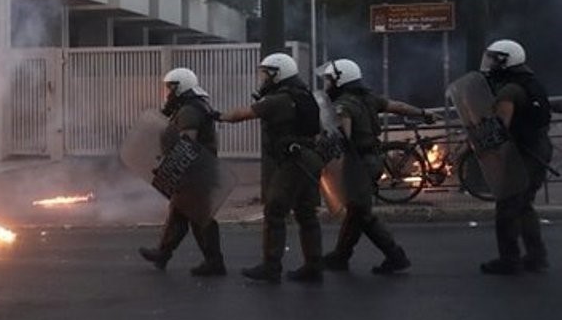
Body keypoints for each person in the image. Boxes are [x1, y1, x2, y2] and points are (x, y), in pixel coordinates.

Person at [317, 59, 432, 274]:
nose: (326, 84)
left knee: (362, 214)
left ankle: (395, 255)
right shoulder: (369, 98)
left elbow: (344, 137)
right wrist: (423, 114)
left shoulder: (344, 104)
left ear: (340, 81)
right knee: (355, 210)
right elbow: (398, 106)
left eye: (329, 80)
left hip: (357, 163)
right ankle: (340, 255)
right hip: (372, 160)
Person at [218, 53, 324, 283]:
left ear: (277, 74)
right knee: (306, 213)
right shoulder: (304, 94)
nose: (263, 78)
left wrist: (219, 116)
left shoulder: (279, 100)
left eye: (266, 73)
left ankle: (271, 266)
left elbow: (242, 114)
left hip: (294, 160)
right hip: (309, 157)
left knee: (275, 210)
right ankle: (313, 265)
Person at [138, 68, 227, 277]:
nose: (167, 92)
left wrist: (170, 166)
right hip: (195, 170)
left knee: (200, 216)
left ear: (180, 87)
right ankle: (163, 253)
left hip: (195, 171)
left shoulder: (189, 110)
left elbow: (187, 142)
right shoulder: (191, 106)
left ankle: (214, 262)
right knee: (179, 214)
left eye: (170, 87)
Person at [478, 40, 553, 275]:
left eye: (494, 58)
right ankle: (536, 256)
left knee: (508, 207)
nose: (490, 62)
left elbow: (500, 128)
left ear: (506, 60)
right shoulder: (530, 83)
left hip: (524, 154)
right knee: (525, 205)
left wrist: (479, 146)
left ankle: (509, 259)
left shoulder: (509, 91)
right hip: (539, 149)